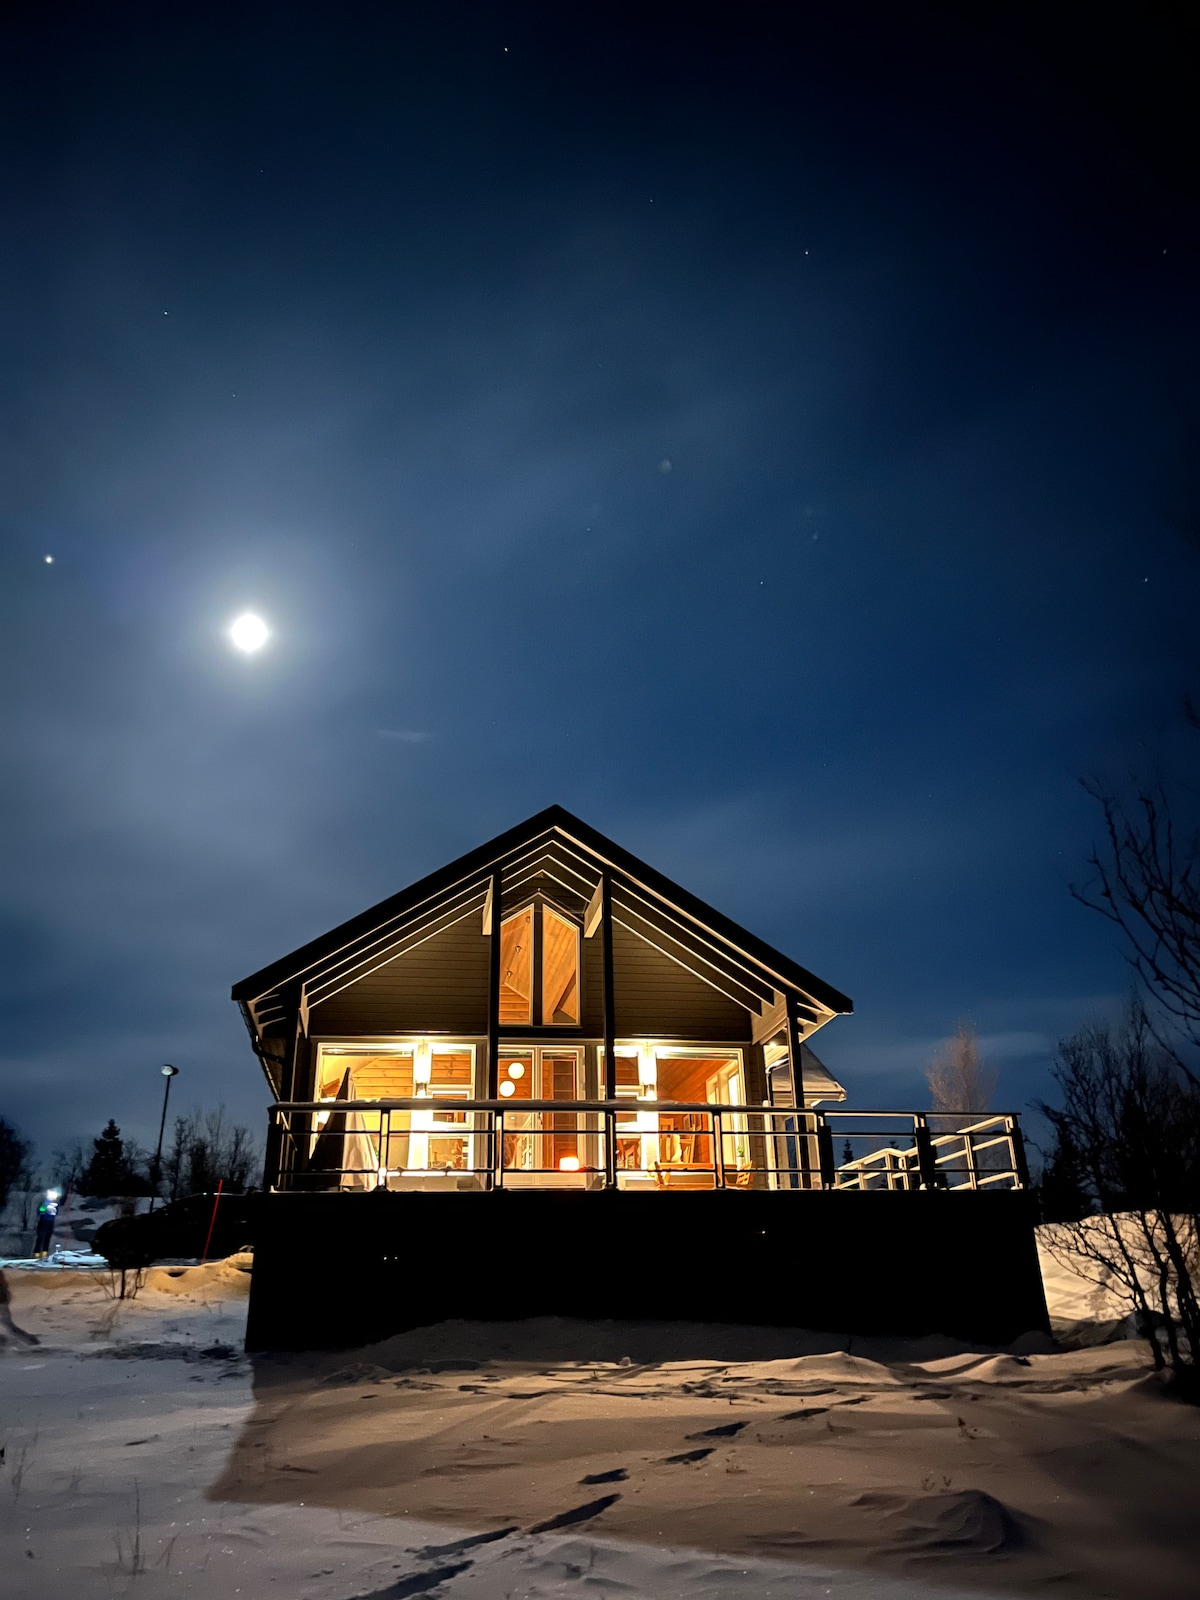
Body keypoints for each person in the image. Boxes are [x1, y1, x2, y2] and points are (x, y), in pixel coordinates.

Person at [0, 1270, 39, 1346]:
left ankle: (31, 1341)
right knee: (8, 1324)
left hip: (1, 1301)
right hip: (3, 1300)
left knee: (8, 1325)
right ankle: (31, 1340)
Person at [33, 1189, 59, 1259]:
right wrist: (45, 1206)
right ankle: (37, 1253)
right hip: (43, 1222)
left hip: (50, 1223)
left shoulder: (55, 1204)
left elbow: (56, 1213)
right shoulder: (44, 1203)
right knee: (40, 1238)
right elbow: (40, 1211)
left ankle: (44, 1253)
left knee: (47, 1238)